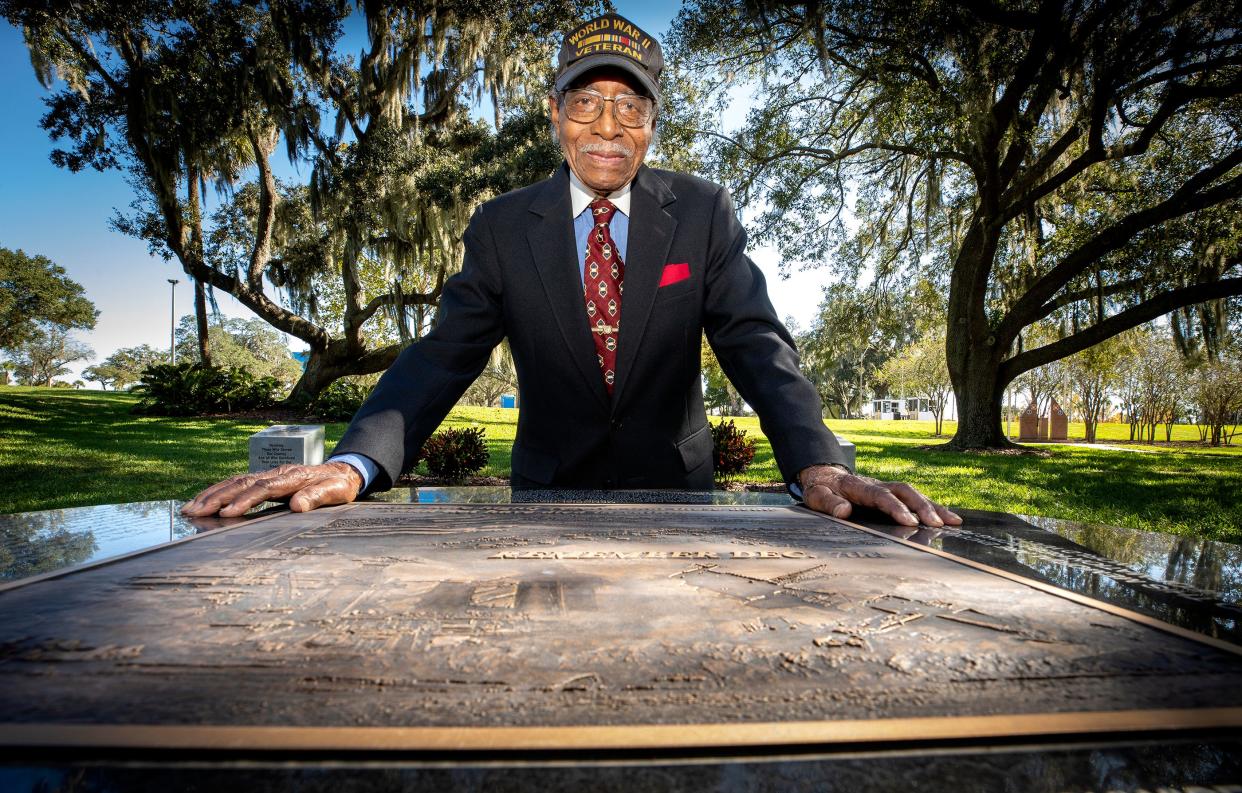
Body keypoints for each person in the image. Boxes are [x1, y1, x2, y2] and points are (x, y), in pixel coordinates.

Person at [183, 13, 960, 530]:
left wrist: (815, 460)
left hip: (677, 502)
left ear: (654, 123)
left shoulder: (701, 212)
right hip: (545, 503)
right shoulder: (500, 226)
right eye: (587, 103)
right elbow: (442, 355)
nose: (608, 128)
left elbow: (758, 343)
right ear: (554, 112)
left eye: (632, 108)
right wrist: (358, 463)